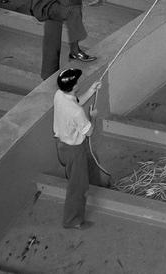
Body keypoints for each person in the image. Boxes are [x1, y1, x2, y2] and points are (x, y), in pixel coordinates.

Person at [53, 67, 108, 230]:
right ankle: (72, 221)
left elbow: (76, 101)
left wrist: (91, 90)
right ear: (74, 86)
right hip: (73, 150)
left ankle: (96, 184)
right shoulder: (77, 113)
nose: (79, 81)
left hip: (63, 144)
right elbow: (90, 131)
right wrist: (93, 117)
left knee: (92, 159)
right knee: (77, 187)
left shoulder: (59, 95)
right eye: (77, 80)